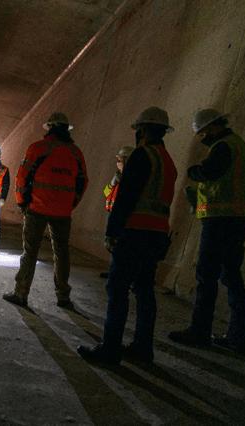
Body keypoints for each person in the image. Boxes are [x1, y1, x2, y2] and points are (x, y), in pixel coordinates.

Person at [77, 107, 177, 365]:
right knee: (144, 291)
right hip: (156, 235)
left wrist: (112, 232)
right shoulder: (167, 161)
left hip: (134, 233)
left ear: (142, 130)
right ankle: (143, 350)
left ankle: (109, 351)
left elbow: (127, 197)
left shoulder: (143, 155)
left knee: (117, 288)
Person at [169, 109, 245, 354]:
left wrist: (192, 171)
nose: (202, 137)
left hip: (221, 220)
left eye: (203, 133)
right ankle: (238, 338)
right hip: (239, 220)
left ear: (212, 127)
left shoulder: (223, 147)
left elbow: (209, 172)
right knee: (231, 275)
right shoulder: (241, 146)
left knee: (206, 275)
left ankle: (199, 332)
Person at [2, 112, 88, 309]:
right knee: (62, 252)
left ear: (49, 128)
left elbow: (22, 178)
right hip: (63, 213)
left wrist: (22, 202)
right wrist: (71, 204)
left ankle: (21, 293)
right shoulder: (76, 153)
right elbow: (83, 182)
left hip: (37, 208)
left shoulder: (39, 148)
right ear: (67, 130)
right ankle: (63, 296)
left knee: (30, 251)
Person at [100, 146, 134, 279]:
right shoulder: (119, 177)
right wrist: (113, 182)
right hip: (113, 213)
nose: (117, 162)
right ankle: (114, 270)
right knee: (111, 243)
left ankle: (118, 272)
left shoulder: (131, 178)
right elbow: (106, 193)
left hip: (121, 215)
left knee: (117, 245)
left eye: (120, 159)